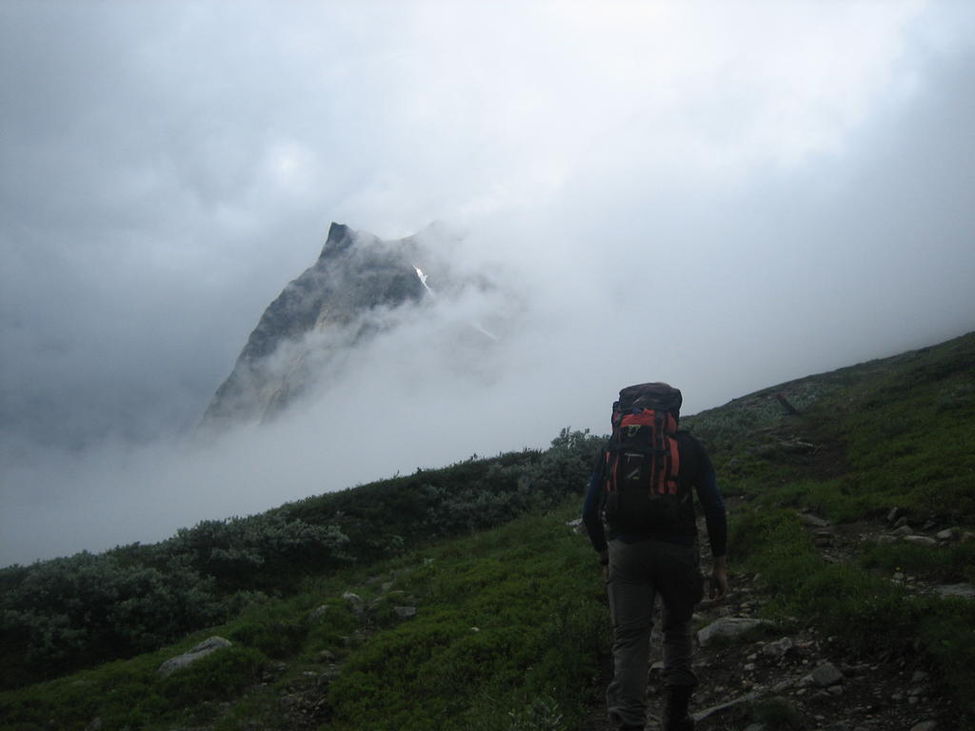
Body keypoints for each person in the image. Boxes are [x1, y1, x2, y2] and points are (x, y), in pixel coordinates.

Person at [582, 383, 728, 731]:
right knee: (677, 630)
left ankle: (630, 722)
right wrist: (719, 563)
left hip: (626, 554)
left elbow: (589, 512)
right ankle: (676, 717)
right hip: (678, 550)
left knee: (630, 641)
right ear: (673, 412)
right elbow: (714, 506)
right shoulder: (689, 446)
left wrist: (605, 557)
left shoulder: (613, 448)